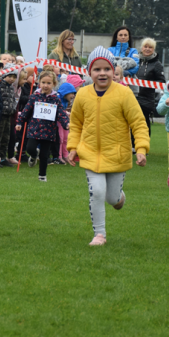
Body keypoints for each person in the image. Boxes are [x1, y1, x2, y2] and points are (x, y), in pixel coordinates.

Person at [66, 47, 149, 246]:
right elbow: (76, 123)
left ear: (113, 71)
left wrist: (141, 149)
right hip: (90, 154)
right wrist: (73, 147)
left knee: (111, 198)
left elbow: (138, 122)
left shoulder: (124, 94)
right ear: (89, 72)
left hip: (117, 155)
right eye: (97, 69)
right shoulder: (83, 94)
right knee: (97, 192)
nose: (102, 73)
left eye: (106, 69)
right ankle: (99, 234)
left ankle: (118, 197)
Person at [16, 70, 70, 182]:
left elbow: (61, 113)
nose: (46, 85)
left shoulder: (55, 99)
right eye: (43, 82)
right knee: (30, 148)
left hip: (49, 131)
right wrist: (20, 122)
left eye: (49, 83)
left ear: (54, 84)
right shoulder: (34, 97)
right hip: (34, 129)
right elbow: (26, 110)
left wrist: (66, 123)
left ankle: (42, 175)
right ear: (39, 82)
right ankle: (34, 155)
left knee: (45, 155)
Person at [135, 38, 166, 136]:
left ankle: (145, 145)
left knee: (144, 123)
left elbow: (162, 81)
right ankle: (132, 145)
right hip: (133, 96)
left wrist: (149, 84)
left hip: (147, 99)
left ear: (154, 49)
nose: (147, 49)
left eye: (150, 47)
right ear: (142, 48)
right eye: (145, 46)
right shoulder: (135, 61)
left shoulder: (157, 64)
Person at [0, 64, 21, 167]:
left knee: (6, 137)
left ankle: (3, 157)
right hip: (1, 115)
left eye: (14, 77)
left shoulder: (11, 88)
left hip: (9, 115)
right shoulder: (0, 86)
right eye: (10, 76)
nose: (12, 79)